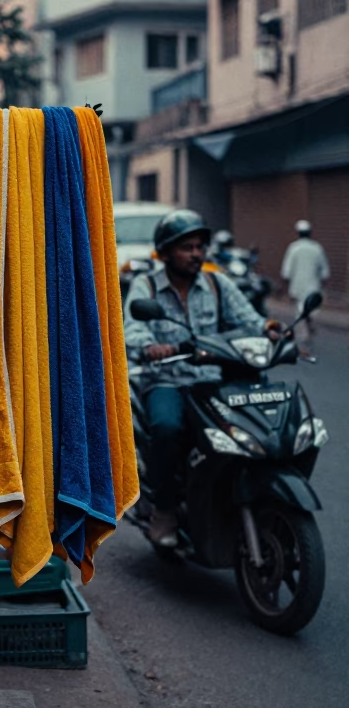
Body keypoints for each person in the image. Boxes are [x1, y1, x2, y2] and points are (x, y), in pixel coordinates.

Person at [124, 209, 282, 548]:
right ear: (165, 253)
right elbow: (132, 330)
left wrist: (270, 329)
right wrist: (150, 347)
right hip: (166, 381)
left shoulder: (216, 283)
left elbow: (249, 318)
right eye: (187, 248)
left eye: (199, 247)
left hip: (212, 380)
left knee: (250, 426)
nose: (196, 254)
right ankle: (164, 510)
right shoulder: (146, 286)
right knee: (166, 428)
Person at [281, 220, 330, 336]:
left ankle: (304, 334)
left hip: (297, 286)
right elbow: (324, 271)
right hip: (313, 286)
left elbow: (286, 271)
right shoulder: (317, 248)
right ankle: (308, 326)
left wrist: (284, 287)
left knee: (300, 311)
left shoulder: (294, 248)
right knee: (310, 309)